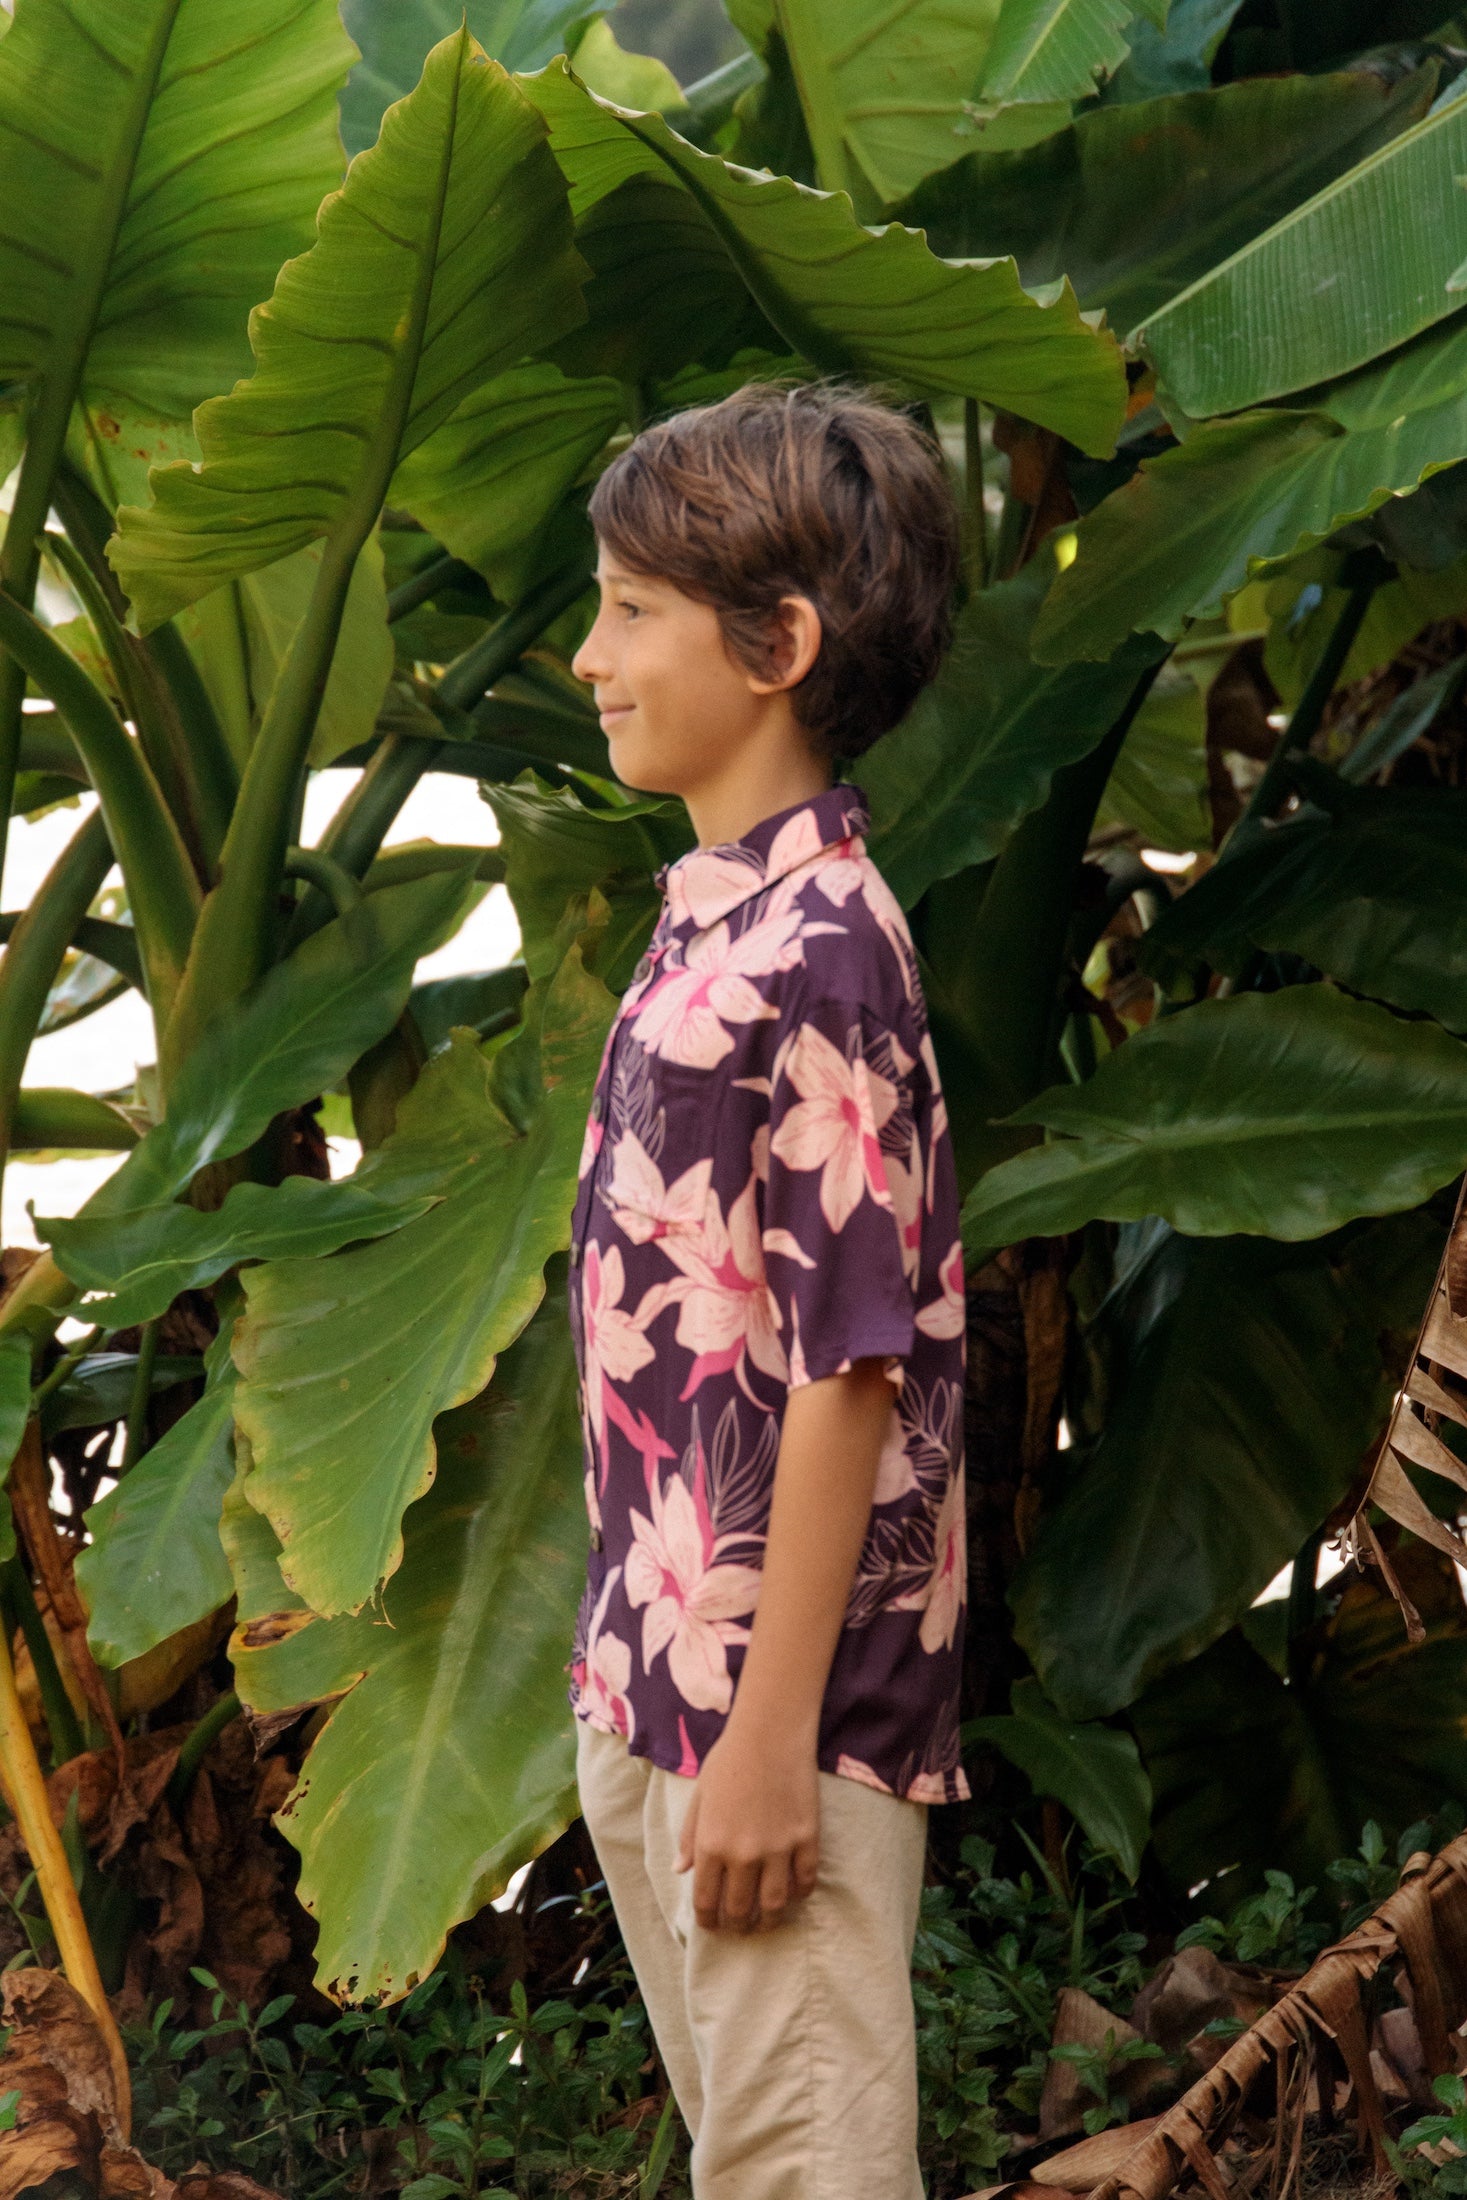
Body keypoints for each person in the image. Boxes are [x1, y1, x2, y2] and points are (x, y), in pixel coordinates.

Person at [566, 382, 967, 2200]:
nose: (591, 654)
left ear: (779, 646)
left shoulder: (824, 954)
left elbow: (849, 1368)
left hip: (767, 1720)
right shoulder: (719, 921)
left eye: (633, 610)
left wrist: (769, 1744)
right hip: (668, 1686)